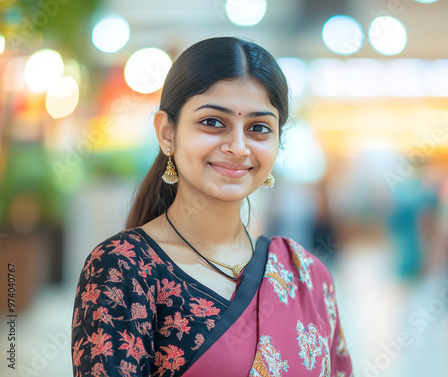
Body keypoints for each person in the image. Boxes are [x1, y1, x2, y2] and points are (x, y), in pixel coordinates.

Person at [71, 37, 353, 377]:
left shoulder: (307, 275)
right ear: (167, 133)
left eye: (259, 128)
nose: (238, 147)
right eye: (213, 122)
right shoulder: (125, 268)